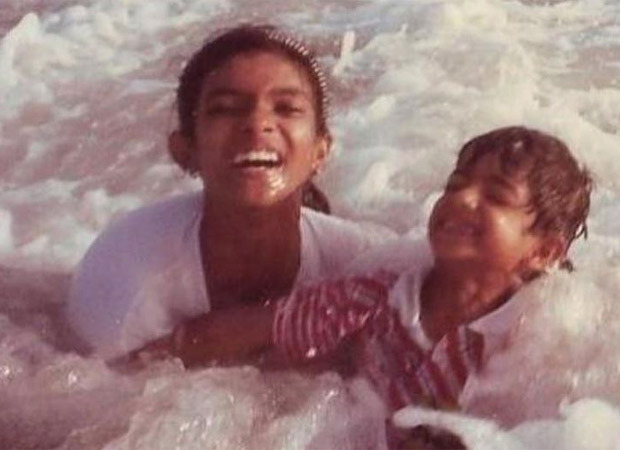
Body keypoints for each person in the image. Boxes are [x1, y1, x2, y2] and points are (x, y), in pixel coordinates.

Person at [158, 126, 592, 415]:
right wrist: (149, 362)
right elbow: (258, 328)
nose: (461, 198)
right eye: (456, 184)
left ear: (544, 252)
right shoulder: (374, 300)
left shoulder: (542, 339)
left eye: (495, 196)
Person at [66, 24, 396, 360]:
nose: (257, 123)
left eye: (286, 108)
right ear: (185, 150)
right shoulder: (124, 279)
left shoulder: (362, 263)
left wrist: (263, 326)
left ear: (320, 152)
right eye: (225, 108)